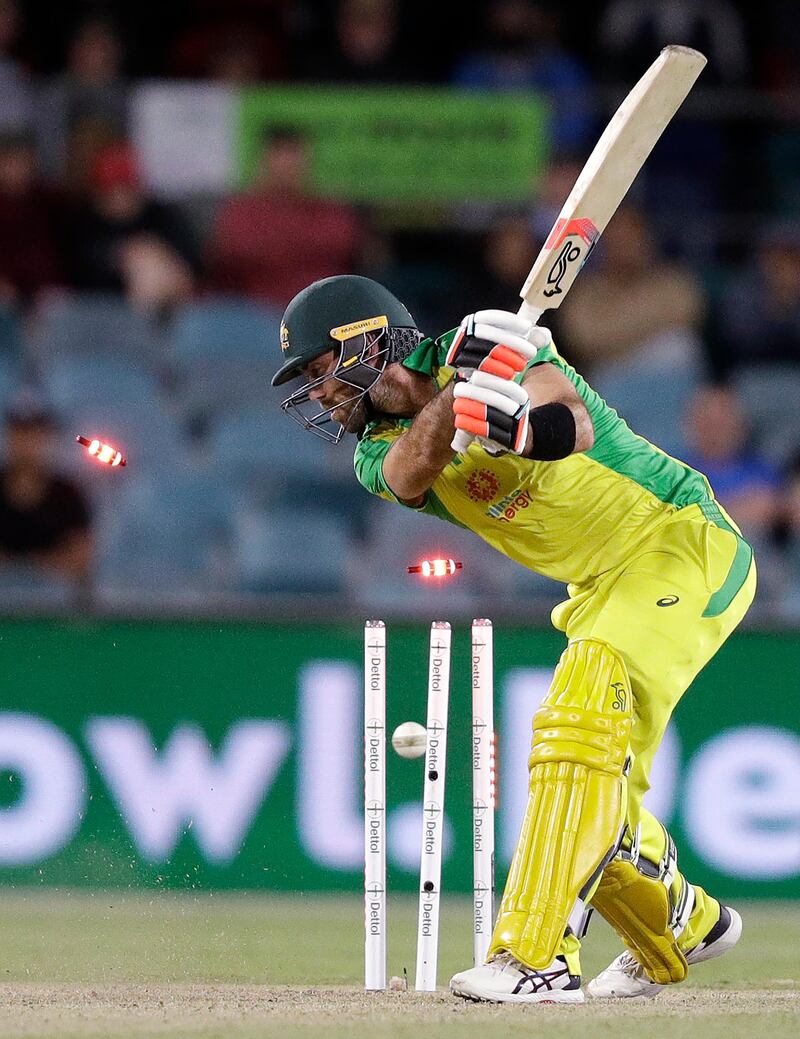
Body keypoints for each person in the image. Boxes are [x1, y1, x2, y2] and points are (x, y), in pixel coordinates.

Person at [270, 274, 754, 1004]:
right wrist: (454, 404)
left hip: (681, 540)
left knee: (582, 705)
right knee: (589, 779)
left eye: (320, 371)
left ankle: (537, 956)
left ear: (368, 340)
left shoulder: (487, 348)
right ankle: (681, 919)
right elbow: (408, 473)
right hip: (598, 589)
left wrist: (518, 421)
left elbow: (573, 423)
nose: (320, 394)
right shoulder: (377, 449)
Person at [208, 128, 362, 309]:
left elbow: (343, 244)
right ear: (265, 161)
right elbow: (234, 251)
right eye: (280, 156)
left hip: (323, 309)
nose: (287, 165)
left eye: (294, 155)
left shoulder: (327, 209)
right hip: (254, 312)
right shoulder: (243, 210)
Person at [0, 399, 92, 586]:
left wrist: (40, 565)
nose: (26, 444)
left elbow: (81, 558)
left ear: (46, 439)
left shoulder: (68, 495)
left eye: (34, 435)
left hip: (54, 607)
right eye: (19, 434)